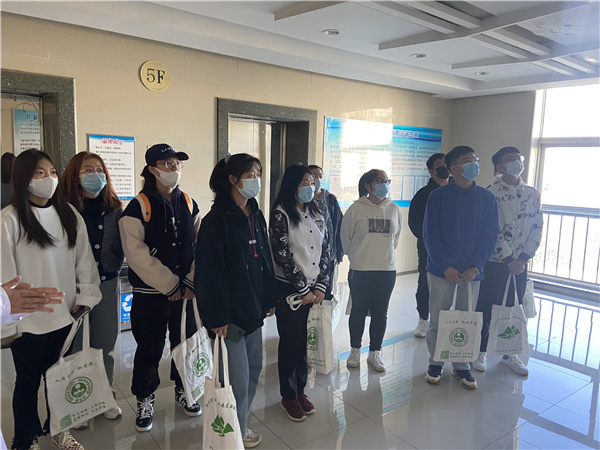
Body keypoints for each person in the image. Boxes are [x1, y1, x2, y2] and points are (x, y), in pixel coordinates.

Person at [1, 149, 101, 450]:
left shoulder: (68, 214)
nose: (49, 178)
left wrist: (86, 295)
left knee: (59, 378)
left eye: (53, 172)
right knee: (28, 381)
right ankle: (25, 438)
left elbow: (84, 259)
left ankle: (59, 430)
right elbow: (4, 273)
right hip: (27, 322)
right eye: (40, 173)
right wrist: (7, 325)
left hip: (64, 315)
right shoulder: (9, 219)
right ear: (24, 178)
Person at [195, 153, 277, 448]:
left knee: (253, 371)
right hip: (228, 317)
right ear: (232, 179)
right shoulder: (216, 220)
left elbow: (264, 259)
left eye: (258, 174)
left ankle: (239, 427)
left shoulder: (255, 214)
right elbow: (209, 274)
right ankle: (231, 435)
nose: (256, 180)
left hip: (252, 309)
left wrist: (269, 297)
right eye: (250, 175)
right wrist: (218, 319)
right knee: (235, 380)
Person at [119, 143, 201, 432]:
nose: (175, 169)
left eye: (178, 163)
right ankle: (145, 398)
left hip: (186, 293)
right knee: (149, 348)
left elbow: (200, 245)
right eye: (168, 164)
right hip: (150, 294)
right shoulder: (137, 207)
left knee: (185, 343)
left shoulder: (189, 202)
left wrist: (189, 280)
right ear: (152, 169)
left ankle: (184, 388)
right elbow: (136, 254)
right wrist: (169, 284)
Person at [423, 145, 498, 389]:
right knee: (439, 318)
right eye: (467, 160)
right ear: (454, 168)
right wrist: (445, 265)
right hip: (442, 271)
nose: (474, 163)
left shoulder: (487, 198)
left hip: (471, 273)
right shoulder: (438, 197)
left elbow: (490, 236)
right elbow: (430, 235)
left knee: (466, 319)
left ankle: (462, 364)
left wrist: (476, 266)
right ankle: (435, 362)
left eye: (474, 159)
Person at [59, 152, 125, 427]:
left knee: (105, 342)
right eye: (88, 169)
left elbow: (122, 245)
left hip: (107, 282)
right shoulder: (62, 210)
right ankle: (78, 404)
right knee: (73, 346)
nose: (95, 174)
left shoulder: (115, 209)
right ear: (75, 175)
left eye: (100, 170)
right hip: (70, 287)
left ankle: (105, 396)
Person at [472, 147, 543, 376]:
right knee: (487, 306)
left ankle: (509, 353)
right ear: (499, 167)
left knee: (514, 307)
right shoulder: (490, 193)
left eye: (518, 158)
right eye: (510, 159)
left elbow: (537, 226)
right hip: (496, 262)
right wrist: (508, 258)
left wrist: (523, 257)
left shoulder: (531, 193)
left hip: (520, 263)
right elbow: (489, 230)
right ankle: (481, 350)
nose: (516, 162)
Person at [269, 164, 330, 422]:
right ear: (292, 186)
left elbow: (326, 249)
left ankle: (301, 390)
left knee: (307, 344)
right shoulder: (281, 213)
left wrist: (320, 286)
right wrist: (303, 289)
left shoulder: (317, 211)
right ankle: (288, 395)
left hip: (314, 290)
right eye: (304, 183)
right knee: (291, 344)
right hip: (291, 289)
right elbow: (281, 254)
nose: (310, 187)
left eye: (312, 182)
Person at [341, 169, 402, 372]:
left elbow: (395, 239)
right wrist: (360, 255)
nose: (384, 184)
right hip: (361, 269)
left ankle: (375, 352)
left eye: (387, 180)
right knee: (358, 310)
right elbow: (346, 240)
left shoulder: (394, 208)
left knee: (380, 312)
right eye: (379, 181)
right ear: (368, 185)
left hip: (386, 269)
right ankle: (355, 350)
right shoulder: (355, 209)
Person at [408, 153, 450, 338]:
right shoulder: (424, 194)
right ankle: (423, 318)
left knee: (450, 283)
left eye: (446, 164)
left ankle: (447, 320)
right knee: (425, 282)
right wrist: (430, 241)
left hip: (453, 247)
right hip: (428, 246)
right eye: (440, 164)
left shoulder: (457, 190)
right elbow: (414, 223)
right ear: (431, 170)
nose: (444, 167)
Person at [308, 165, 344, 294]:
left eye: (320, 176)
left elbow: (339, 225)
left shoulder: (330, 199)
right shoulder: (304, 200)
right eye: (314, 175)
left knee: (326, 291)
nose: (318, 179)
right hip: (309, 254)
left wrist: (339, 253)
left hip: (329, 253)